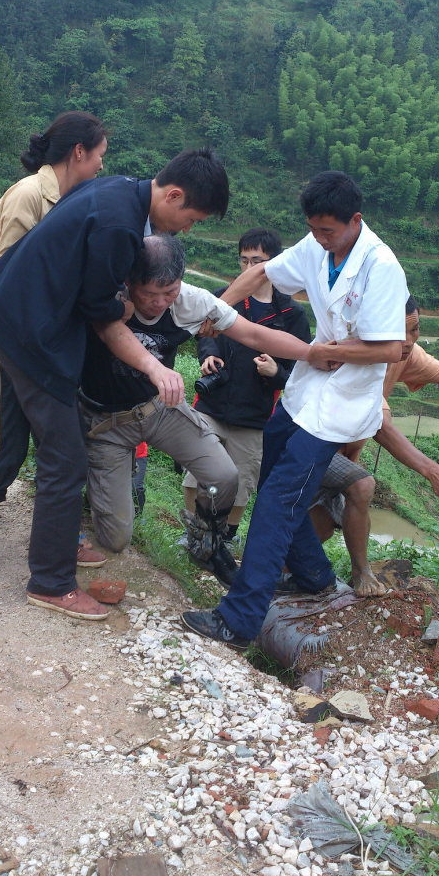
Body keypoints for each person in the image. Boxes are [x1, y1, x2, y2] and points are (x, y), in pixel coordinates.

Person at [0, 147, 232, 622]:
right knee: (64, 458)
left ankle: (59, 548)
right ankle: (51, 582)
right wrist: (127, 315)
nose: (186, 229)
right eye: (191, 219)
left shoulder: (119, 190)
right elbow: (100, 310)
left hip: (13, 313)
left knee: (55, 448)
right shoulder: (121, 227)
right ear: (174, 195)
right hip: (30, 333)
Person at [182, 169, 408, 649]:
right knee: (270, 475)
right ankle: (313, 575)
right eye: (314, 229)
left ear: (355, 221)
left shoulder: (381, 266)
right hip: (307, 388)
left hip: (342, 403)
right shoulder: (317, 245)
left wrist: (328, 352)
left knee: (279, 499)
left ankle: (239, 620)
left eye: (329, 231)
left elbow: (390, 348)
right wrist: (218, 310)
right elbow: (262, 273)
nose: (321, 239)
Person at [79, 234, 329, 581]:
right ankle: (93, 495)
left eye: (170, 292)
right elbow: (109, 332)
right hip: (106, 422)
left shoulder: (191, 301)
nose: (159, 303)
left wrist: (313, 353)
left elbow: (253, 334)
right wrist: (156, 369)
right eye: (150, 294)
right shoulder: (110, 296)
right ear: (130, 281)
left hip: (158, 409)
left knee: (224, 476)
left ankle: (206, 542)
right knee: (116, 538)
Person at [0, 112, 108, 578]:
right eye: (99, 155)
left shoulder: (73, 198)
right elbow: (7, 276)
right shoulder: (28, 194)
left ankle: (61, 533)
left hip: (41, 339)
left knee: (58, 437)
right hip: (6, 333)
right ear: (79, 152)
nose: (101, 165)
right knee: (9, 436)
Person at [293, 295, 439, 594]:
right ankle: (361, 573)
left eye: (414, 329)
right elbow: (381, 427)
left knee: (323, 526)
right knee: (362, 486)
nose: (408, 341)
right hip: (310, 442)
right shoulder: (356, 357)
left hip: (341, 453)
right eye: (399, 332)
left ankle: (285, 575)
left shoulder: (404, 352)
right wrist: (432, 470)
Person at [182, 227, 311, 542]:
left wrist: (275, 372)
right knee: (194, 475)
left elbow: (299, 373)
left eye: (257, 261)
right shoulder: (225, 296)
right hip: (212, 404)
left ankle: (225, 539)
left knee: (242, 481)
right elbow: (204, 334)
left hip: (254, 416)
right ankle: (193, 533)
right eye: (244, 260)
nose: (249, 268)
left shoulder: (292, 315)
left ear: (275, 263)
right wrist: (209, 355)